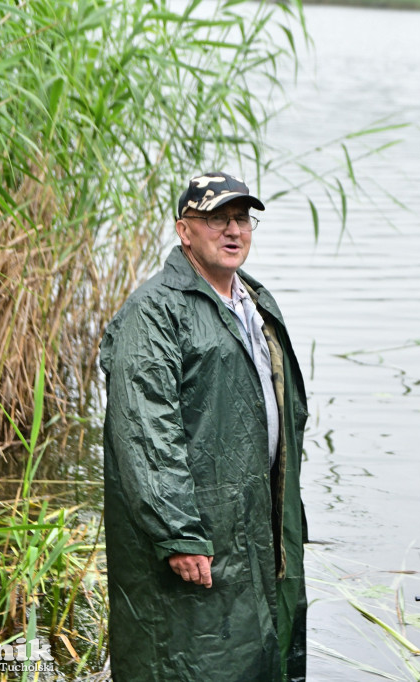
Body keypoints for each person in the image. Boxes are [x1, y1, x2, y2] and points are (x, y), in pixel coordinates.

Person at [99, 171, 308, 681]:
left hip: (259, 517)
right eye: (217, 219)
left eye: (242, 219)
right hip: (198, 525)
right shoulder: (155, 311)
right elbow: (145, 430)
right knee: (190, 655)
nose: (233, 230)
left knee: (262, 648)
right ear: (184, 230)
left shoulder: (255, 302)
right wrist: (179, 533)